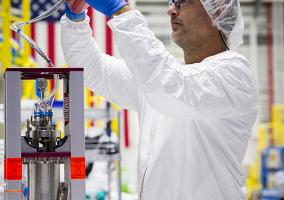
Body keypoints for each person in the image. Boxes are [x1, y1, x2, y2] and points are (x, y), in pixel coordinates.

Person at [61, 0, 258, 199]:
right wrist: (75, 21)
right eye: (172, 2)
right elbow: (94, 68)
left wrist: (120, 10)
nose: (170, 10)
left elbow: (168, 86)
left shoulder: (234, 74)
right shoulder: (166, 77)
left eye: (183, 2)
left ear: (220, 11)